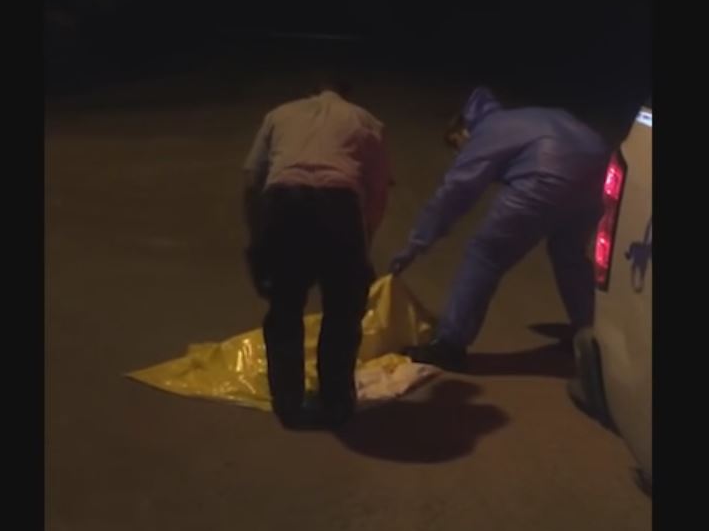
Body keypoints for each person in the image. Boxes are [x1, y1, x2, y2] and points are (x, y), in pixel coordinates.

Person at [389, 86, 613, 372]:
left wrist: (416, 244)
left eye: (456, 143)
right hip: (599, 169)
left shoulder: (486, 132)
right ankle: (590, 333)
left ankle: (450, 343)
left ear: (464, 129)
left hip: (546, 176)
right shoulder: (524, 118)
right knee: (568, 252)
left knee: (485, 253)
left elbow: (455, 193)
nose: (458, 151)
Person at [243, 79, 391, 429]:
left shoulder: (279, 114)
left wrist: (258, 240)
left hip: (284, 205)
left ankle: (289, 405)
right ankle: (336, 402)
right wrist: (362, 247)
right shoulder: (366, 121)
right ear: (347, 92)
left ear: (309, 90)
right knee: (343, 309)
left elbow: (252, 181)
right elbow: (377, 192)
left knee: (285, 306)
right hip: (338, 207)